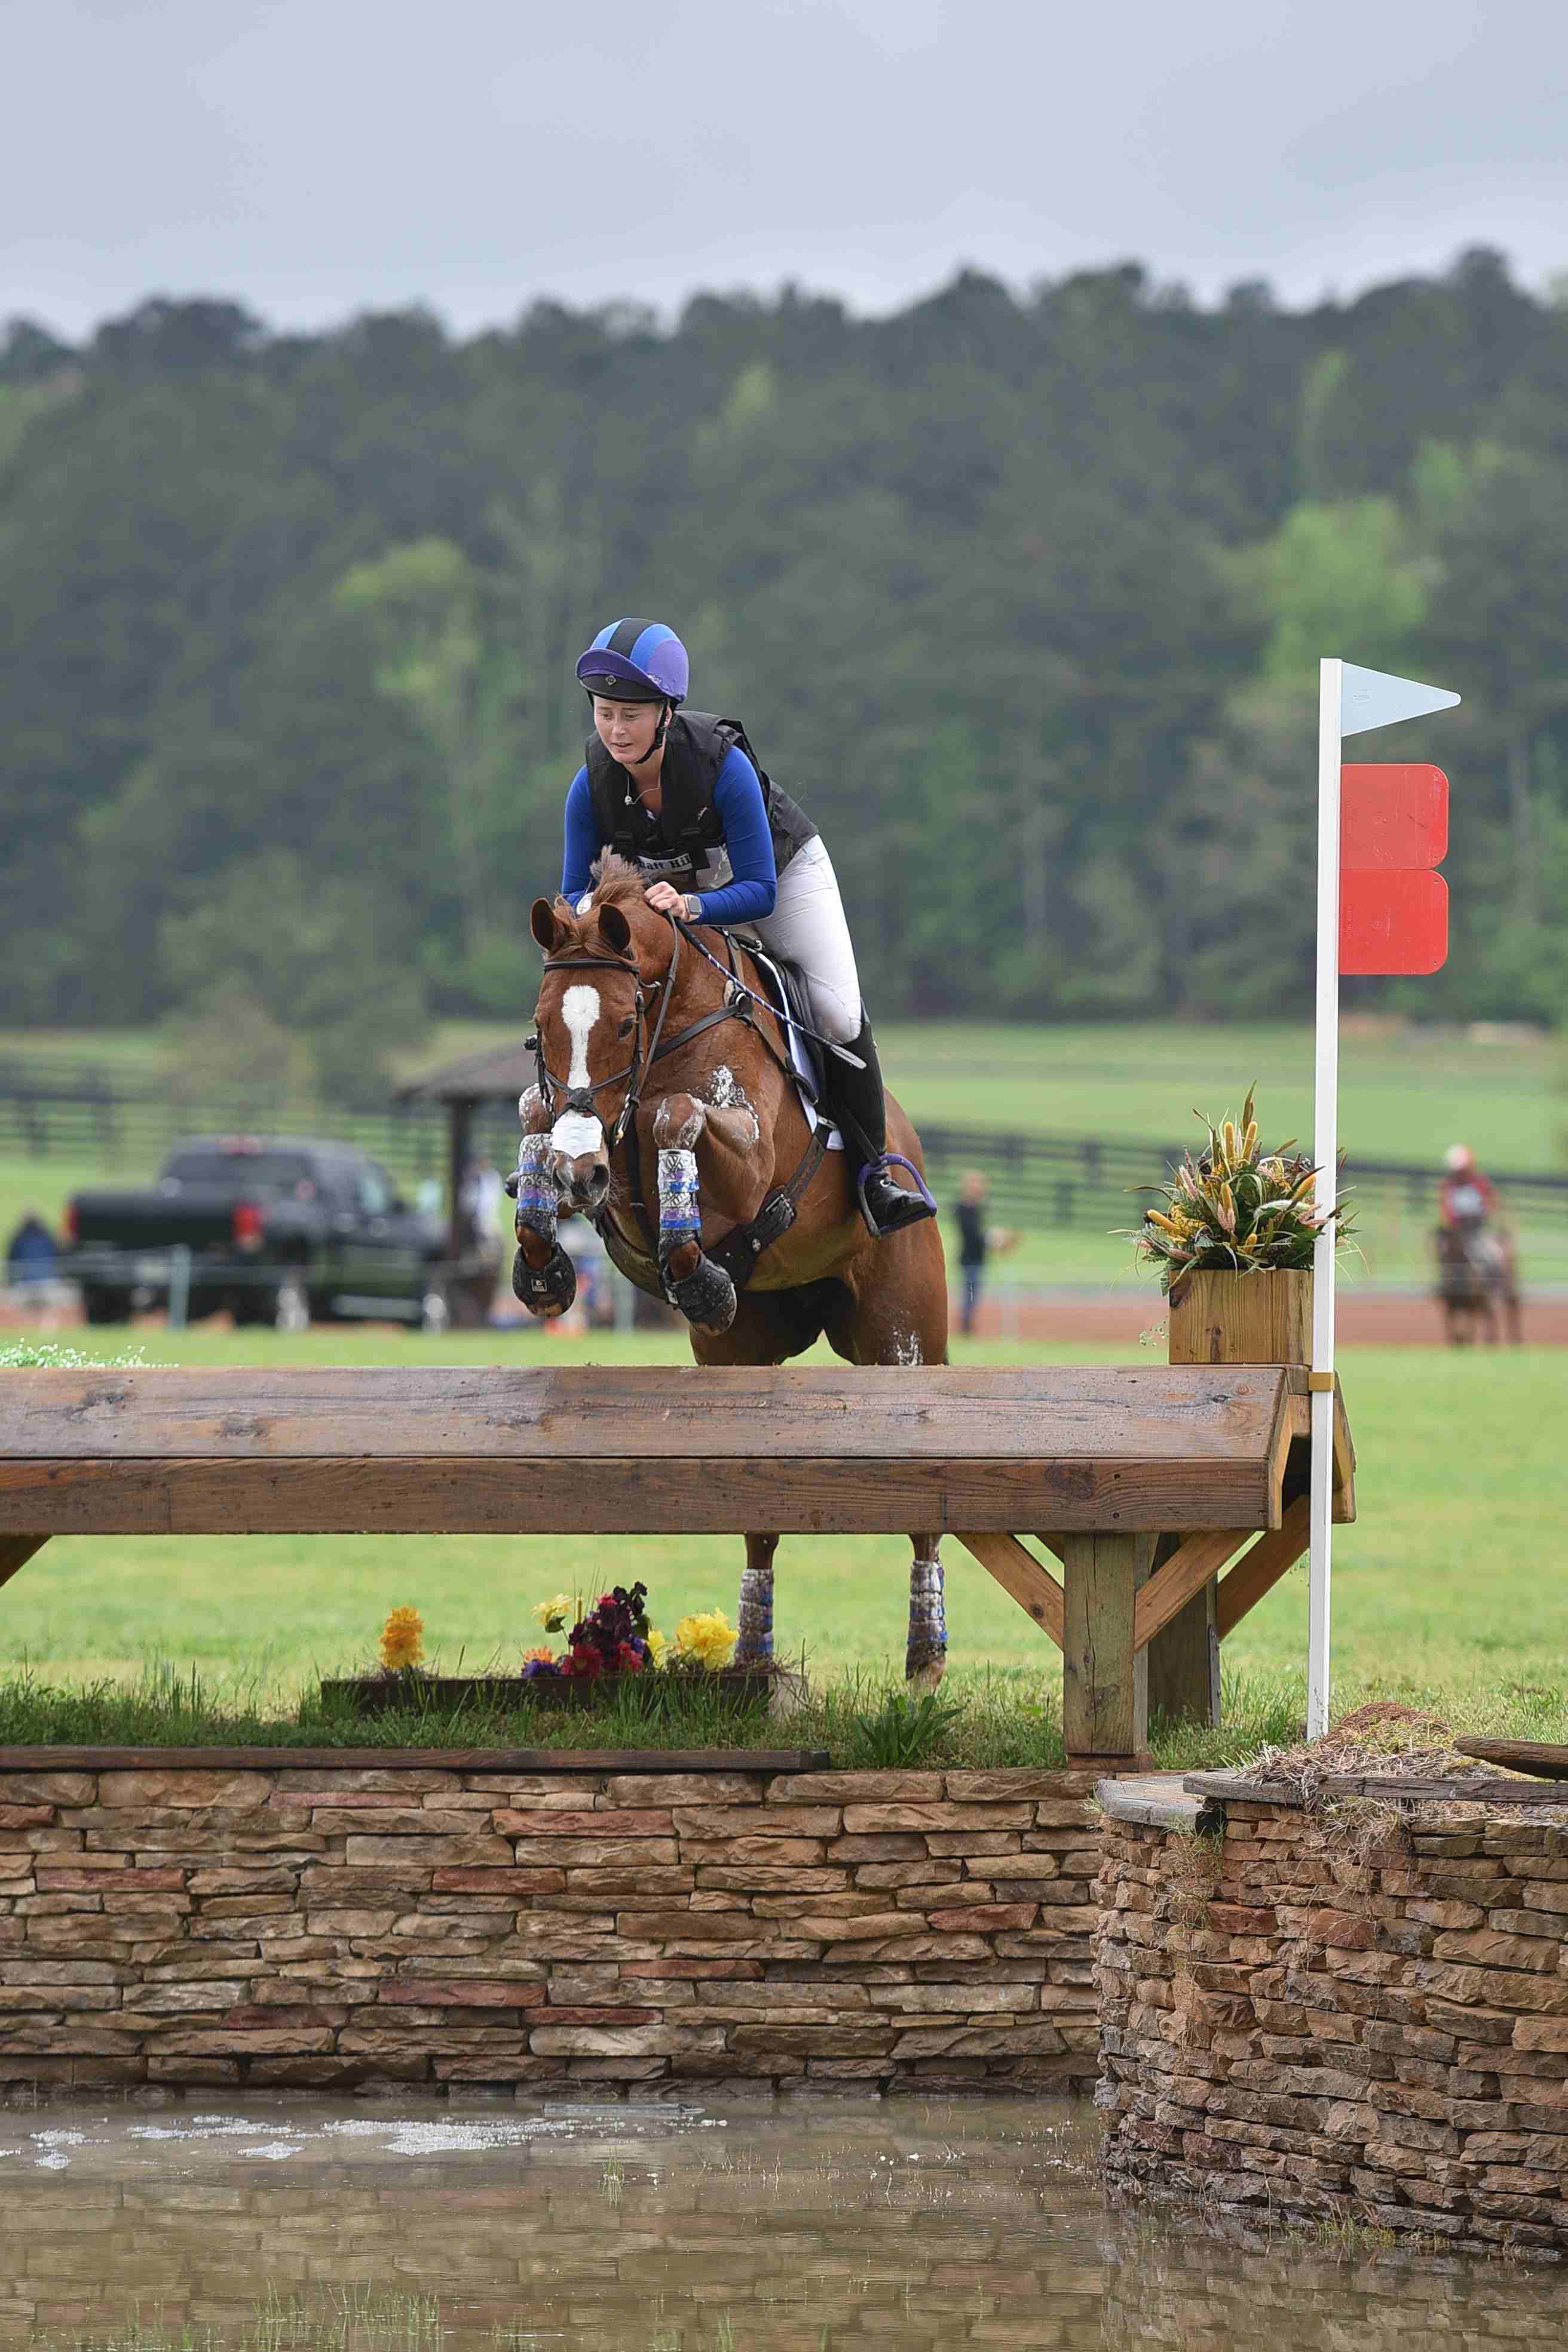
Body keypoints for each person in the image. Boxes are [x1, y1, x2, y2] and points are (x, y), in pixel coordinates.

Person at [559, 618, 933, 1238]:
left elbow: (757, 889)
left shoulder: (720, 766)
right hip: (681, 905)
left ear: (666, 713)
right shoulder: (591, 783)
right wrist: (594, 917)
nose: (615, 730)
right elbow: (575, 890)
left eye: (630, 714)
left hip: (779, 883)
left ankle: (876, 1174)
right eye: (604, 713)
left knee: (836, 1013)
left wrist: (692, 908)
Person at [954, 1171, 990, 1336]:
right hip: (970, 1258)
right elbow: (972, 1234)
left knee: (973, 1294)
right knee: (970, 1293)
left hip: (976, 1258)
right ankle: (966, 1326)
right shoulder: (963, 1208)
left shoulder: (976, 1208)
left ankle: (967, 1325)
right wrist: (990, 1239)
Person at [1438, 1144, 1496, 1233]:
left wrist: (1483, 1215)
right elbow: (1446, 1208)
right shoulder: (1449, 1184)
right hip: (1456, 1228)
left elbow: (1490, 1204)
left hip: (1478, 1226)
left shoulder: (1479, 1182)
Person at [5, 1210, 58, 1286]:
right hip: (49, 1281)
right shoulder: (48, 1237)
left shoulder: (18, 1239)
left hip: (26, 1283)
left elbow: (10, 1263)